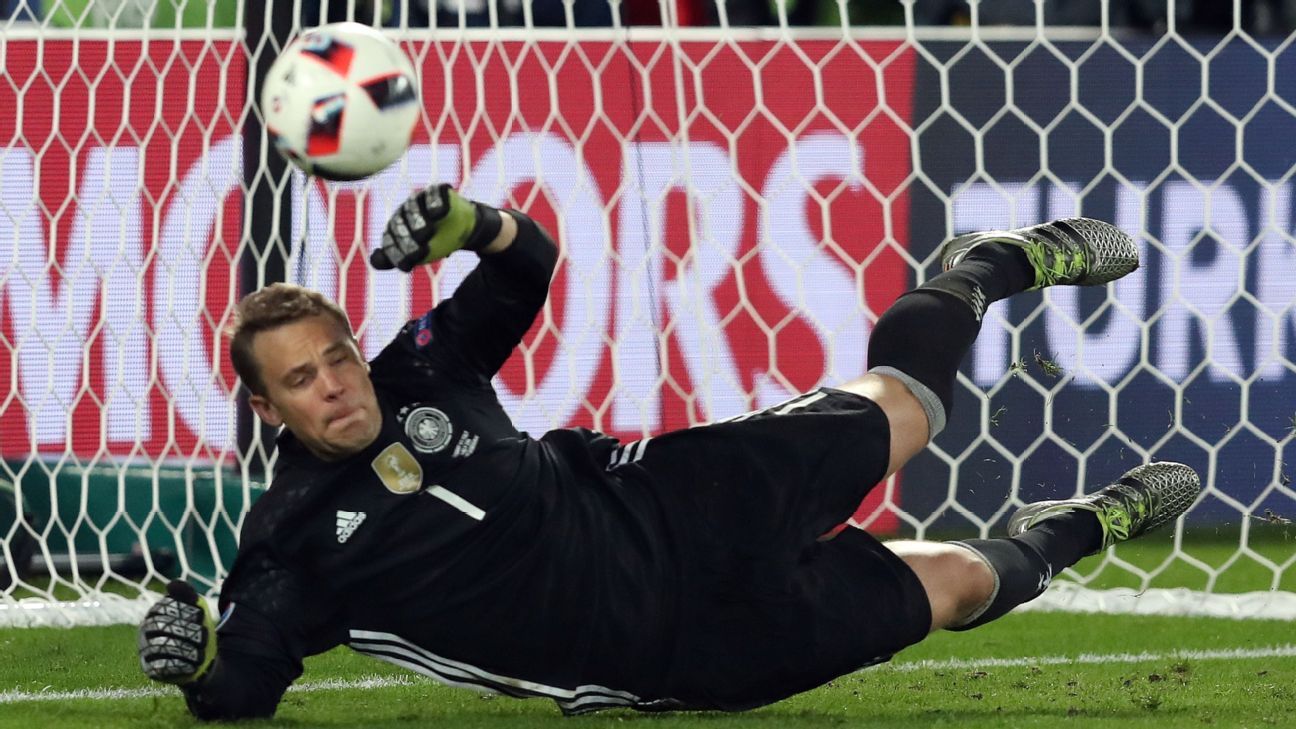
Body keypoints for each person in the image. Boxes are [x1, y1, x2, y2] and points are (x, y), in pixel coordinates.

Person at [137, 183, 1201, 720]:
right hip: (675, 650)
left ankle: (981, 266)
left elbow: (527, 268)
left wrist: (471, 220)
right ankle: (1088, 526)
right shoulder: (288, 543)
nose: (335, 383)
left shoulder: (421, 368)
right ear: (268, 409)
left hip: (673, 500)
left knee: (912, 407)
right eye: (303, 379)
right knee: (965, 583)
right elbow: (246, 691)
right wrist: (194, 663)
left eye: (336, 355)